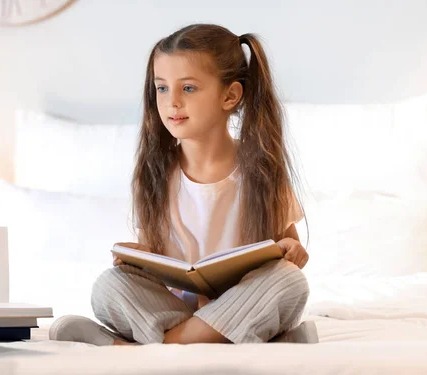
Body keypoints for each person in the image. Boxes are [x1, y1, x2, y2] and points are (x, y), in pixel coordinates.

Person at [49, 23, 310, 346]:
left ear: (230, 95)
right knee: (109, 286)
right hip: (179, 310)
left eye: (188, 88)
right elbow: (156, 260)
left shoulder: (262, 170)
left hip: (241, 303)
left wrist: (292, 250)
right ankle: (220, 338)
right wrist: (139, 258)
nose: (171, 102)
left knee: (288, 281)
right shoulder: (155, 173)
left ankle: (141, 347)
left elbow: (290, 251)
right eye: (161, 88)